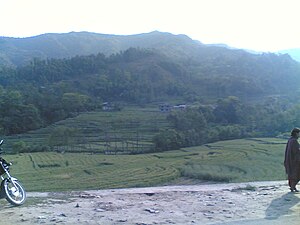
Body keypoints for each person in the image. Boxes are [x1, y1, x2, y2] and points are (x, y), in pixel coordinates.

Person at [284, 127, 300, 192]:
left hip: (291, 161)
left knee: (293, 174)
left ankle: (293, 187)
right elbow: (296, 152)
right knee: (296, 174)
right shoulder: (294, 141)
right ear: (296, 133)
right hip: (294, 161)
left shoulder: (290, 140)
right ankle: (293, 187)